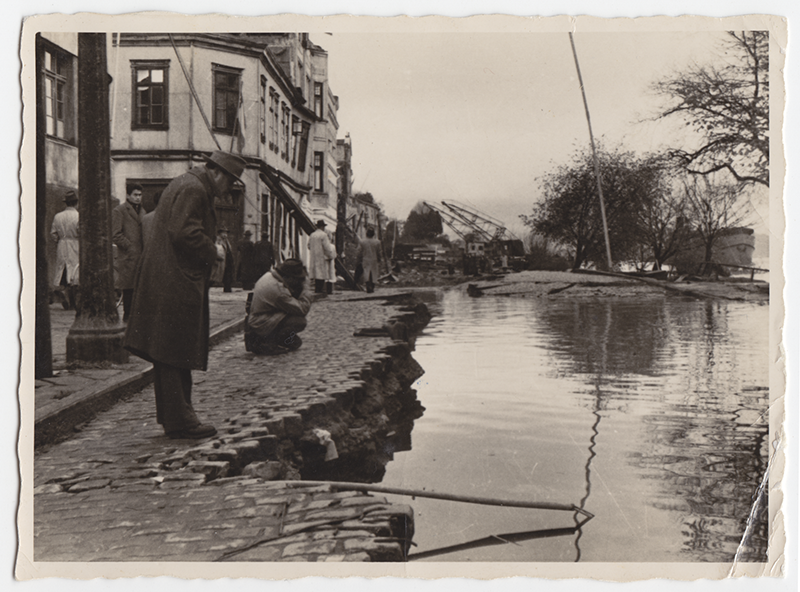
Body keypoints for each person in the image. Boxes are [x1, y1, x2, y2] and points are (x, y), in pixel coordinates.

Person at [124, 150, 246, 439]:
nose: (227, 191)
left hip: (167, 277)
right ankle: (181, 419)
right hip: (174, 280)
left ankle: (176, 416)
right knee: (173, 350)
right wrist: (212, 250)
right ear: (218, 173)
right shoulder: (194, 189)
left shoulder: (186, 183)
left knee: (169, 350)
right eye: (230, 183)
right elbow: (184, 233)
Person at [245, 258, 311, 355]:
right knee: (299, 322)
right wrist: (306, 288)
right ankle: (269, 342)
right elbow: (302, 309)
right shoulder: (279, 291)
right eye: (297, 279)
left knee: (295, 342)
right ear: (289, 278)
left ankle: (272, 340)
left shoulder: (269, 276)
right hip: (260, 323)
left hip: (258, 319)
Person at [112, 183, 145, 322]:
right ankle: (127, 316)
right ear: (128, 195)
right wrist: (129, 247)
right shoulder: (119, 211)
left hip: (141, 256)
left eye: (140, 195)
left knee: (140, 287)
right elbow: (115, 234)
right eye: (135, 195)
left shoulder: (143, 211)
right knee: (128, 288)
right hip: (127, 256)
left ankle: (137, 317)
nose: (138, 198)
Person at [50, 190, 80, 310]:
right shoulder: (78, 216)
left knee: (63, 270)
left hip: (62, 245)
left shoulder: (58, 216)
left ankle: (62, 291)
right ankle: (72, 302)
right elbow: (80, 231)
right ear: (76, 203)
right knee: (74, 273)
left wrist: (60, 240)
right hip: (75, 245)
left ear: (66, 203)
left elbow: (53, 234)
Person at [308, 220, 336, 295]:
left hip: (314, 257)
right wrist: (330, 255)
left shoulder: (312, 235)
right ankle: (320, 289)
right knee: (322, 273)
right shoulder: (323, 235)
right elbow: (327, 247)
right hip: (322, 257)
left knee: (316, 273)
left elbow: (309, 246)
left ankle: (317, 288)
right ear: (322, 227)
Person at [358, 227, 382, 293]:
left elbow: (359, 251)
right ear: (373, 234)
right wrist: (379, 259)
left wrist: (359, 259)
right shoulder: (377, 242)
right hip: (374, 259)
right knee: (374, 273)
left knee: (366, 272)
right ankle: (372, 287)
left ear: (366, 234)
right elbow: (379, 252)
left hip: (365, 259)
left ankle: (368, 286)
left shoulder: (362, 241)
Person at [211, 227, 235, 292]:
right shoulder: (218, 240)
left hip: (227, 260)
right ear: (220, 233)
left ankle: (227, 288)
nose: (225, 234)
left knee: (228, 274)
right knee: (216, 274)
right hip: (222, 259)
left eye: (226, 233)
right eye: (224, 233)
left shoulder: (226, 241)